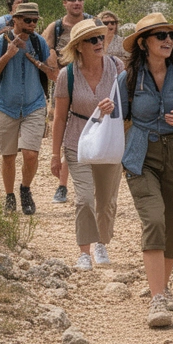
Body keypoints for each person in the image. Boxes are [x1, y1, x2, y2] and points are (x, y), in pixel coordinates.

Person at [118, 13, 173, 329]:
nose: (167, 40)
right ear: (143, 43)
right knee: (154, 219)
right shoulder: (127, 77)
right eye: (159, 36)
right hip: (141, 155)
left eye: (170, 35)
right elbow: (118, 118)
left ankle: (161, 286)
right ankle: (157, 300)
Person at [51, 19, 125, 270]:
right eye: (92, 40)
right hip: (77, 141)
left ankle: (102, 243)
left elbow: (128, 103)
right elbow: (59, 117)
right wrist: (54, 154)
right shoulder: (67, 75)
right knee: (84, 199)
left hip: (109, 140)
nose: (98, 43)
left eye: (101, 38)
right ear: (79, 46)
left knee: (106, 200)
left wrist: (115, 107)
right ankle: (84, 250)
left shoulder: (117, 67)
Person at [0, 1, 58, 215]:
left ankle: (25, 189)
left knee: (30, 154)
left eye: (35, 20)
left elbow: (53, 74)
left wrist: (36, 61)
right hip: (6, 106)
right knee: (8, 157)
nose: (32, 24)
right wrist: (8, 54)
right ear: (15, 20)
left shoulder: (38, 42)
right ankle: (9, 196)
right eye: (27, 20)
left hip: (34, 105)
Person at [42, 0, 93, 205]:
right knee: (65, 131)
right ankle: (62, 185)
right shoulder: (56, 28)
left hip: (92, 85)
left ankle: (91, 185)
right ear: (64, 3)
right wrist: (53, 67)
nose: (77, 3)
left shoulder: (93, 23)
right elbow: (43, 49)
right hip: (66, 83)